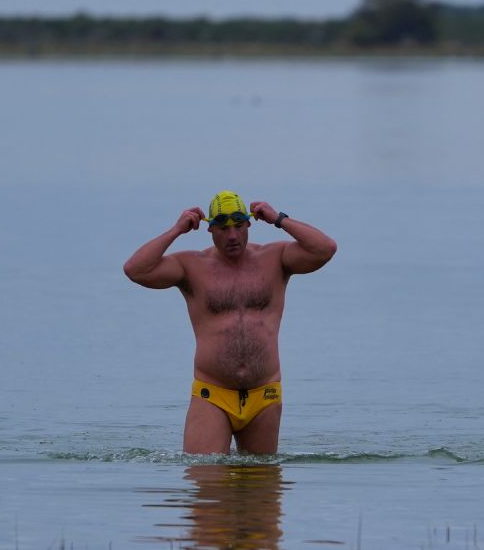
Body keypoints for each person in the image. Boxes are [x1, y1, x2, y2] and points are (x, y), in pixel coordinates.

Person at [123, 191, 337, 454]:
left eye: (238, 226)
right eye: (223, 229)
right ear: (210, 229)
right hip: (212, 394)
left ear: (249, 224)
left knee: (261, 489)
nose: (232, 236)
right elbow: (135, 269)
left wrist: (278, 219)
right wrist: (176, 230)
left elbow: (325, 248)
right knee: (207, 485)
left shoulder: (275, 259)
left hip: (265, 394)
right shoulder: (192, 266)